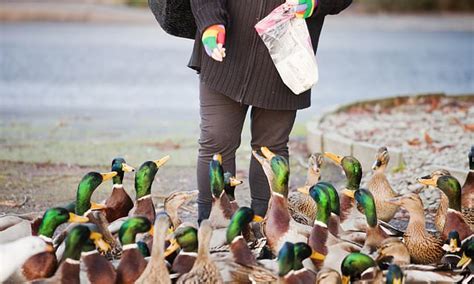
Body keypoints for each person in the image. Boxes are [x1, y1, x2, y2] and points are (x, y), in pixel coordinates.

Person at [189, 0, 352, 223]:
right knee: (216, 140)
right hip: (224, 48)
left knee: (270, 149)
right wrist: (210, 22)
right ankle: (212, 223)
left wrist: (315, 3)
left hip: (287, 57)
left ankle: (266, 226)